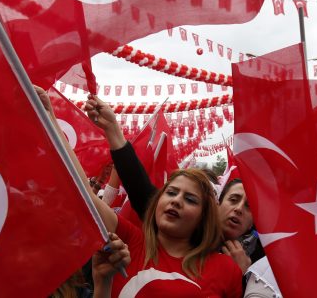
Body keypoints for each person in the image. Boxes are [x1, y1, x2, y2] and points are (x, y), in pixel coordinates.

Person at [36, 87, 242, 297]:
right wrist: (51, 119)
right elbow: (82, 192)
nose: (177, 201)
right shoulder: (126, 243)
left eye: (190, 199)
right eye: (171, 193)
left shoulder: (227, 269)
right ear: (157, 202)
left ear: (204, 217)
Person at [84, 95, 262, 274]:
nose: (238, 209)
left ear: (254, 223)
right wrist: (113, 129)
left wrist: (242, 276)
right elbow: (138, 186)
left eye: (249, 206)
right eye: (233, 199)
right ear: (216, 206)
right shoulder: (159, 237)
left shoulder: (259, 262)